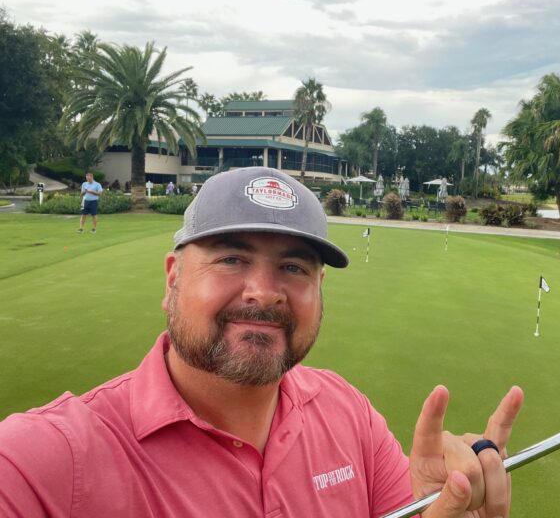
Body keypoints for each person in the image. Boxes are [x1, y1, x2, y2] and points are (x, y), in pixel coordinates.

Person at [0, 167, 523, 517]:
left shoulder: (350, 416)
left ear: (319, 291)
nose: (264, 292)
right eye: (231, 258)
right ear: (172, 281)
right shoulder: (44, 460)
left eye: (293, 267)